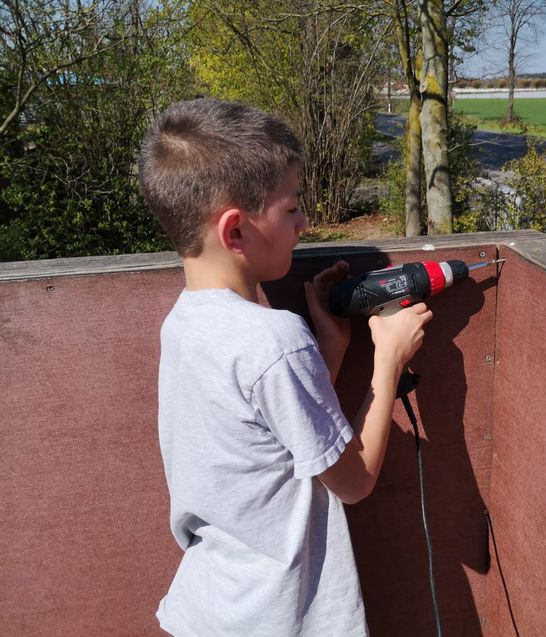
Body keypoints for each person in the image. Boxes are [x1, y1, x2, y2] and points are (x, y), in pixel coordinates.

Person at [138, 97, 432, 636]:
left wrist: (329, 348)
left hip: (213, 607)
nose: (304, 223)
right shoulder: (273, 339)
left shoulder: (183, 325)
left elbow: (273, 433)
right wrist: (387, 361)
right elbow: (353, 481)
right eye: (292, 208)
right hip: (277, 617)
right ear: (235, 231)